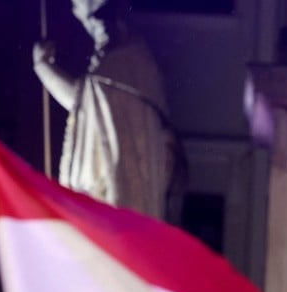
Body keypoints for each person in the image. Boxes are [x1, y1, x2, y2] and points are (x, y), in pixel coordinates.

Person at [33, 0, 182, 220]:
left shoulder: (124, 62)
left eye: (78, 5)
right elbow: (91, 105)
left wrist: (43, 68)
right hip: (116, 197)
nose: (75, 10)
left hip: (113, 199)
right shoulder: (132, 63)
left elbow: (86, 104)